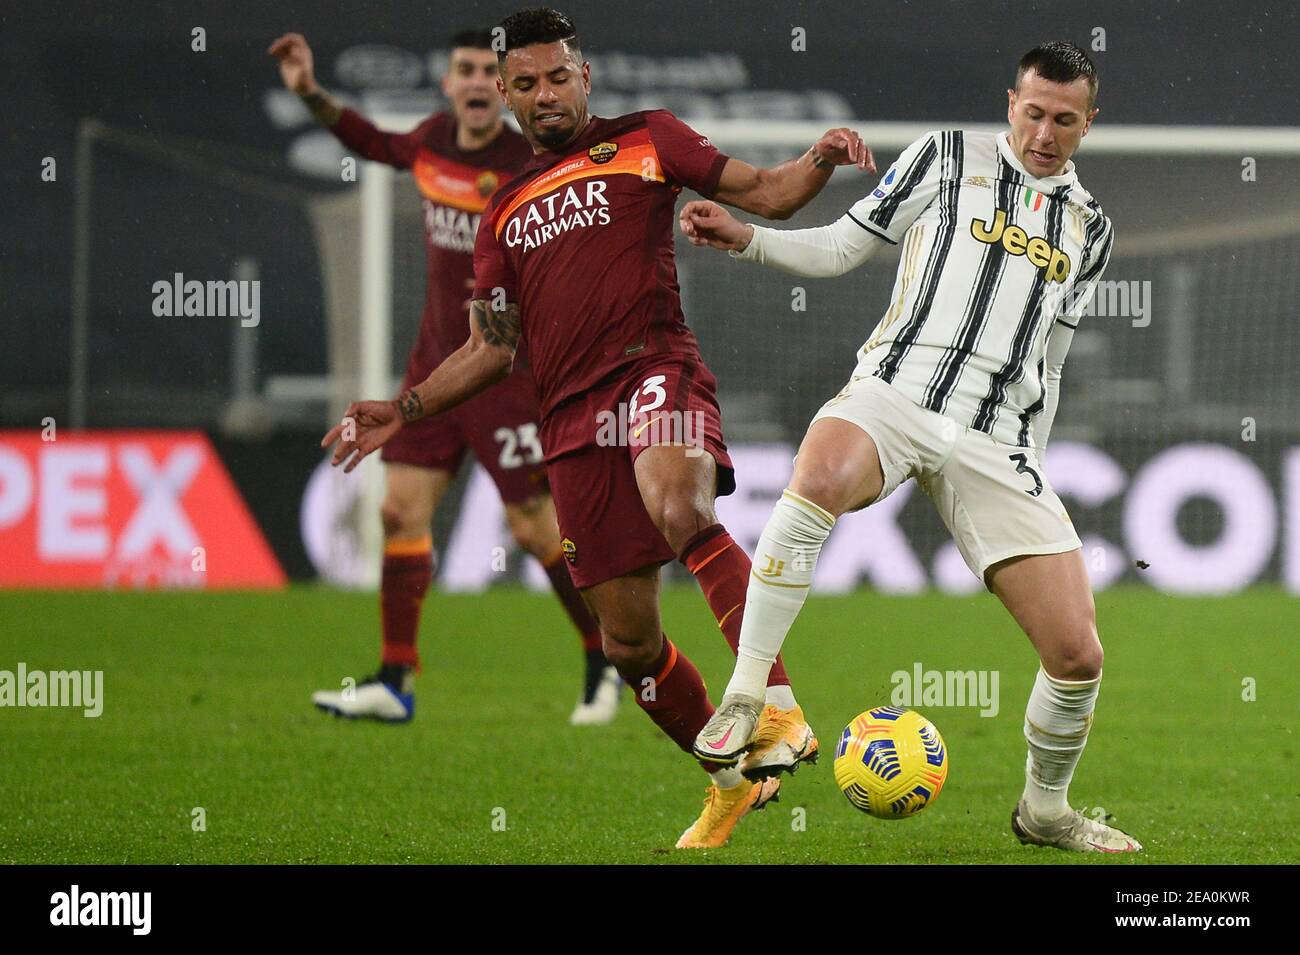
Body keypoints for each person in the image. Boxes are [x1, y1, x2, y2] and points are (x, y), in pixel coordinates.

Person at [322, 7, 873, 848]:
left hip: (655, 369)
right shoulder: (503, 208)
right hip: (572, 419)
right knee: (628, 642)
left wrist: (820, 161)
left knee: (680, 504)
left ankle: (774, 705)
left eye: (559, 77)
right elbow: (490, 349)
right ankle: (727, 783)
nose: (546, 95)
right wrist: (401, 410)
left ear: (585, 78)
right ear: (506, 94)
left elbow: (767, 192)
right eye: (527, 84)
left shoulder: (649, 138)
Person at [681, 41, 1141, 853]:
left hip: (998, 437)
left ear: (1088, 123)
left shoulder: (1091, 227)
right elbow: (842, 244)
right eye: (1033, 112)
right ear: (1011, 104)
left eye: (1064, 120)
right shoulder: (945, 156)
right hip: (896, 391)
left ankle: (1044, 811)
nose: (1044, 132)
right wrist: (747, 238)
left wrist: (1031, 450)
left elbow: (1054, 357)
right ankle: (751, 696)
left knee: (1077, 654)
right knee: (817, 476)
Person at [269, 28, 618, 726]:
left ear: (505, 89)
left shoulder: (531, 161)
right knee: (399, 510)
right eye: (464, 72)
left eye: (489, 74)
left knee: (534, 529)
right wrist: (309, 91)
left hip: (505, 374)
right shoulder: (430, 144)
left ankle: (602, 658)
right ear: (449, 85)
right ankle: (396, 680)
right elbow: (370, 141)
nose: (477, 84)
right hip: (433, 367)